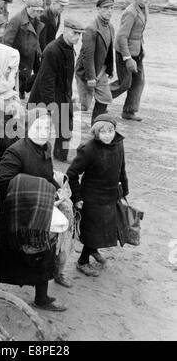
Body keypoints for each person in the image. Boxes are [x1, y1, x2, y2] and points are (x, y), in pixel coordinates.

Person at [0, 108, 69, 310]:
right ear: (28, 127)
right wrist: (41, 191)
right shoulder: (16, 151)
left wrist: (56, 190)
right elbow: (2, 182)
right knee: (9, 260)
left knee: (45, 253)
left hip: (37, 213)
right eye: (38, 126)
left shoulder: (45, 148)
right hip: (15, 217)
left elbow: (45, 176)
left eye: (47, 127)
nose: (43, 131)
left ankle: (42, 298)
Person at [66, 114, 129, 277]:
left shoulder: (119, 143)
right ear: (96, 132)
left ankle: (93, 249)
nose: (108, 135)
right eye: (103, 131)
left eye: (111, 130)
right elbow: (71, 174)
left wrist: (125, 190)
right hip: (92, 198)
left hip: (111, 195)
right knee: (92, 230)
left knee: (104, 228)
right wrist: (77, 197)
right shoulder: (89, 150)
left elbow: (122, 167)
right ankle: (82, 261)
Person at [28, 16, 85, 163]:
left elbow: (67, 75)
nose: (77, 37)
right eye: (75, 33)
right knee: (37, 130)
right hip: (45, 97)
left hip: (63, 94)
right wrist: (50, 105)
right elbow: (46, 80)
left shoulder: (69, 48)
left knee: (66, 128)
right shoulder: (52, 50)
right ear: (65, 31)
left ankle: (60, 157)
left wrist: (71, 93)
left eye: (80, 34)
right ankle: (31, 157)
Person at [110, 0, 152, 122]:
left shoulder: (144, 8)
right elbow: (121, 37)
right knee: (125, 83)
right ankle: (101, 98)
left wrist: (141, 48)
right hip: (124, 51)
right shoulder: (130, 12)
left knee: (139, 81)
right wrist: (127, 58)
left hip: (137, 51)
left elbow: (138, 32)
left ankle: (129, 111)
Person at [76, 0, 115, 125]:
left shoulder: (110, 27)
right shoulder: (91, 29)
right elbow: (87, 56)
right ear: (98, 9)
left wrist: (110, 70)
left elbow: (109, 51)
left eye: (111, 8)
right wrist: (90, 77)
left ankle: (96, 126)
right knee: (84, 105)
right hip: (87, 71)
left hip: (101, 70)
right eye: (105, 8)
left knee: (105, 98)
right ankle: (59, 112)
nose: (109, 11)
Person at [3, 0, 45, 99]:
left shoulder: (36, 20)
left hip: (33, 56)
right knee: (17, 86)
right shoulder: (16, 20)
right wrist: (9, 61)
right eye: (35, 10)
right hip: (20, 58)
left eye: (39, 11)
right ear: (27, 7)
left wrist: (39, 52)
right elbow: (7, 42)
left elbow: (36, 38)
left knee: (39, 75)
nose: (37, 13)